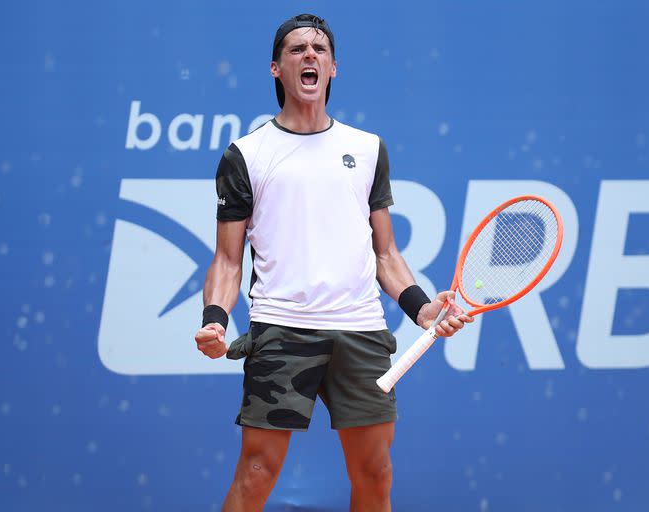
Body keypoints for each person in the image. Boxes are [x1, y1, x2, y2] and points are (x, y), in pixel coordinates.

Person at [193, 14, 473, 512]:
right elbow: (228, 261)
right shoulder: (246, 155)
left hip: (360, 332)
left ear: (333, 68)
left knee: (375, 473)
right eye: (297, 49)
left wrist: (423, 309)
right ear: (276, 68)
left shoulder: (366, 150)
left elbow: (385, 252)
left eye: (319, 49)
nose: (309, 55)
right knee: (256, 474)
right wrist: (215, 320)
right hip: (281, 330)